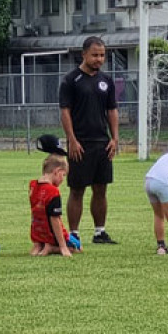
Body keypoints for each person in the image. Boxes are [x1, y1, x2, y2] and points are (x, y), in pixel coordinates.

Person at [59, 36, 119, 245]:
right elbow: (65, 111)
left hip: (102, 143)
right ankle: (73, 235)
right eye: (95, 55)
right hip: (80, 143)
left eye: (102, 55)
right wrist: (72, 140)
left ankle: (99, 232)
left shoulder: (106, 81)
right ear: (83, 54)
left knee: (101, 188)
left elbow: (112, 110)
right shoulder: (70, 80)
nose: (99, 59)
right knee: (77, 189)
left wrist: (115, 138)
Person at [30, 152, 79, 257]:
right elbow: (55, 219)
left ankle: (39, 245)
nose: (63, 180)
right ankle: (51, 247)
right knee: (77, 247)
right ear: (57, 172)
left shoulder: (33, 186)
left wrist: (37, 241)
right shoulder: (53, 191)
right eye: (63, 175)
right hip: (51, 235)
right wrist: (62, 246)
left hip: (39, 234)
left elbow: (35, 213)